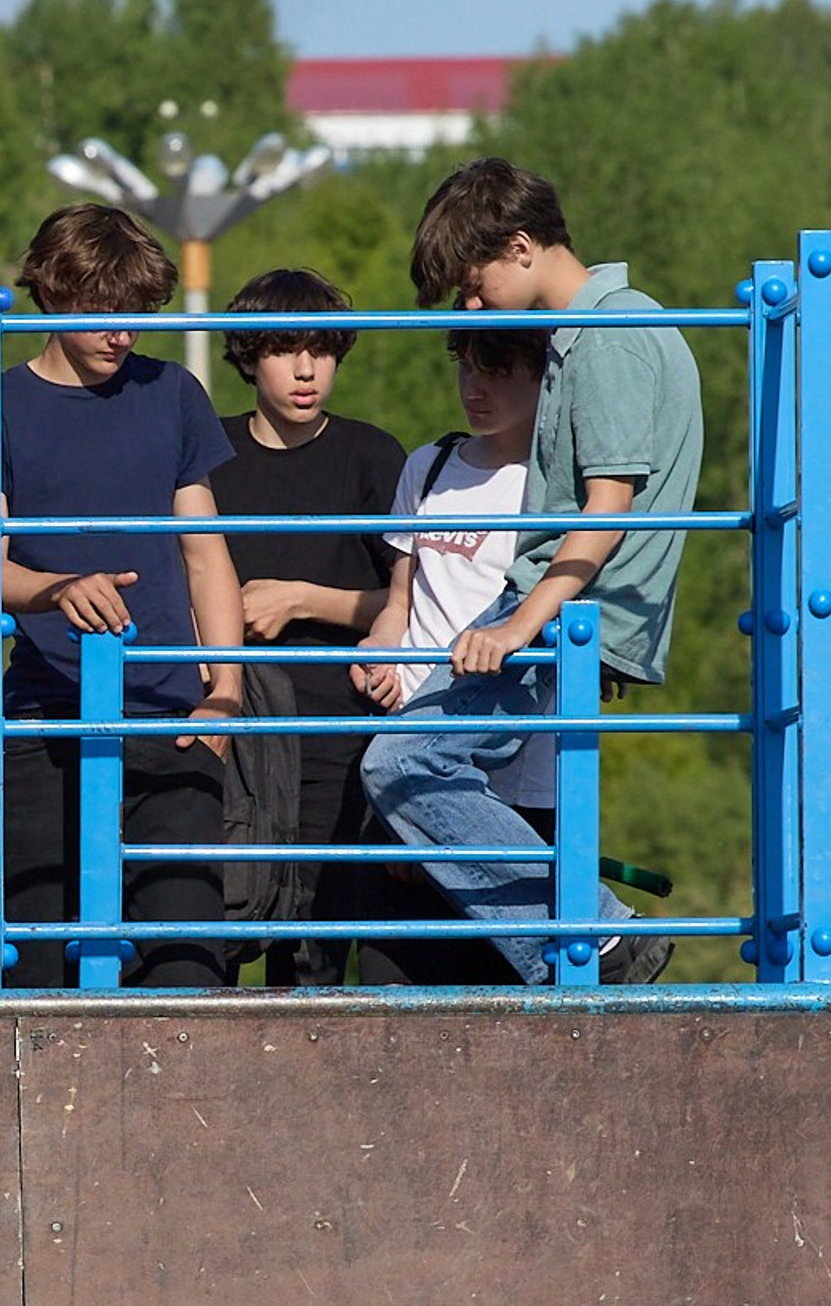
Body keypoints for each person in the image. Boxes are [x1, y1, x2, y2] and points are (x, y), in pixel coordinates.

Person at [359, 157, 702, 986]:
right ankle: (580, 939)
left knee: (398, 763)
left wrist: (525, 621)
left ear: (519, 247)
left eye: (475, 287)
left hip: (557, 605)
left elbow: (609, 502)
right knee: (413, 762)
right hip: (575, 605)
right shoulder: (601, 331)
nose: (473, 310)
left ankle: (596, 932)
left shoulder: (608, 336)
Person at [0, 204, 242, 990]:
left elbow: (206, 554)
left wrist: (226, 693)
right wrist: (57, 590)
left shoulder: (174, 393)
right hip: (40, 718)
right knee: (34, 967)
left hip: (171, 716)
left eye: (137, 313)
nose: (122, 333)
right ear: (53, 293)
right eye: (103, 310)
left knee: (188, 967)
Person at [206, 269, 402, 985]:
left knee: (315, 959)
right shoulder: (208, 459)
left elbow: (409, 606)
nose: (306, 369)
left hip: (337, 734)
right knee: (211, 944)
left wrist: (301, 601)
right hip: (230, 730)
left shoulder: (373, 457)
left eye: (321, 350)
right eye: (285, 349)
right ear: (248, 356)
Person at [352, 324, 550, 987]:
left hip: (510, 768)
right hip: (406, 751)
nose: (475, 388)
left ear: (542, 376)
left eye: (496, 371)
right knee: (391, 984)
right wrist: (380, 652)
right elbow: (399, 602)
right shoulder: (429, 465)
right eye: (466, 368)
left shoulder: (552, 487)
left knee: (508, 990)